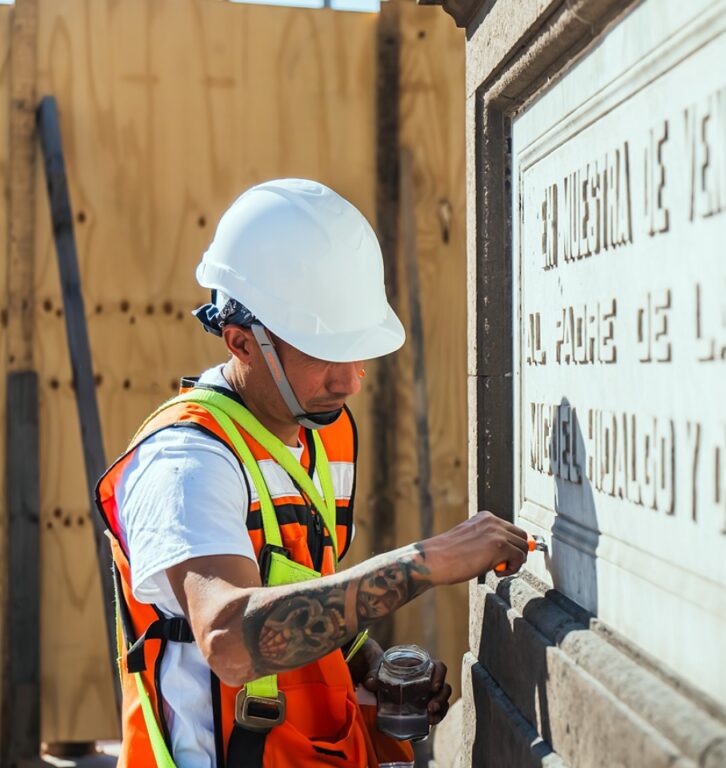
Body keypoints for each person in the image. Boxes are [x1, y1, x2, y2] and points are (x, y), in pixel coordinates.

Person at [95, 179, 529, 768]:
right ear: (242, 342)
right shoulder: (186, 463)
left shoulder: (321, 434)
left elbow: (298, 584)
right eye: (325, 354)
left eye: (358, 351)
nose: (351, 381)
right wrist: (423, 563)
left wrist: (369, 665)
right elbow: (226, 640)